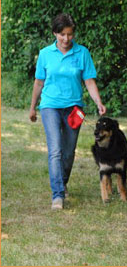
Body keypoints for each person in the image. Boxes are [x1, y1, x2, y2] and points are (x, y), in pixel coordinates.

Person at [29, 13, 106, 210]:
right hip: (50, 106)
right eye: (62, 34)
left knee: (69, 151)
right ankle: (57, 195)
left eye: (70, 34)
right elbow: (39, 82)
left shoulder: (82, 53)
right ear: (55, 33)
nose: (66, 39)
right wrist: (32, 108)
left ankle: (62, 182)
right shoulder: (45, 54)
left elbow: (89, 81)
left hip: (74, 109)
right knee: (55, 150)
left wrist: (98, 102)